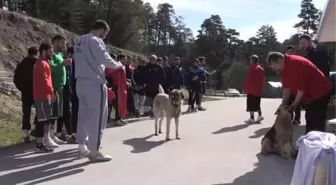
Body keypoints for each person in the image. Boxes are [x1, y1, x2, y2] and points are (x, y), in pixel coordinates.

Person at [74, 20, 124, 162]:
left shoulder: (80, 40)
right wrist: (118, 65)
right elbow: (105, 59)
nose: (105, 37)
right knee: (98, 117)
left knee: (83, 115)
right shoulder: (95, 41)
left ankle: (82, 145)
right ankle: (95, 151)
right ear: (102, 30)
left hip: (80, 82)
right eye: (105, 34)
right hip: (94, 83)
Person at [267, 52, 332, 134]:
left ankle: (318, 143)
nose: (276, 69)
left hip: (320, 92)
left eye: (275, 66)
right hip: (310, 95)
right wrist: (282, 104)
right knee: (310, 119)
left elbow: (301, 89)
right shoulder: (284, 68)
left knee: (316, 121)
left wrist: (294, 104)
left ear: (279, 60)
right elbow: (287, 88)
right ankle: (310, 142)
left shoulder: (295, 63)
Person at [33, 43, 56, 152]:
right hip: (42, 96)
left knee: (46, 119)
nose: (52, 53)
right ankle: (39, 144)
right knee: (41, 120)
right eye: (50, 51)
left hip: (45, 95)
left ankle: (43, 142)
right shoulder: (41, 63)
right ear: (44, 51)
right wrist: (51, 92)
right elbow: (44, 80)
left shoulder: (45, 63)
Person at [50, 35, 72, 146]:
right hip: (54, 88)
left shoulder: (59, 54)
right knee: (52, 114)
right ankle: (49, 135)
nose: (64, 45)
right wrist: (62, 63)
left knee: (57, 113)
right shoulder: (52, 54)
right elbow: (51, 67)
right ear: (56, 42)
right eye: (63, 43)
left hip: (61, 88)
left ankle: (54, 135)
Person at [13, 46, 38, 143]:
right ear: (36, 53)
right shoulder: (38, 63)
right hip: (36, 90)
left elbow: (16, 79)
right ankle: (37, 129)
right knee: (39, 111)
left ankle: (26, 134)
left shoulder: (21, 64)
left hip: (26, 91)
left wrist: (22, 88)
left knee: (26, 112)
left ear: (28, 53)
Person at [56, 46, 76, 143]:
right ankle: (69, 133)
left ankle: (61, 132)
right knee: (66, 112)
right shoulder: (65, 63)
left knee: (65, 111)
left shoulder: (71, 63)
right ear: (69, 54)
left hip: (68, 89)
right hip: (64, 89)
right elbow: (67, 77)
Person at [106, 53, 128, 126]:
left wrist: (126, 82)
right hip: (116, 87)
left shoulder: (122, 66)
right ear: (120, 59)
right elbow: (113, 75)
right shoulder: (117, 65)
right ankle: (117, 119)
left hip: (121, 87)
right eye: (124, 59)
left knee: (120, 103)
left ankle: (120, 118)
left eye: (126, 59)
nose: (125, 60)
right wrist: (117, 86)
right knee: (116, 103)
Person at [242, 55, 265, 124]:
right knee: (257, 103)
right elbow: (263, 79)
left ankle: (252, 118)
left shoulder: (251, 68)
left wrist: (244, 87)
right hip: (258, 89)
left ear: (252, 60)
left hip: (251, 89)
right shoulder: (261, 69)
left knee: (250, 104)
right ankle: (260, 115)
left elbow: (248, 79)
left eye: (250, 60)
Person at [285, 45, 302, 125]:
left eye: (292, 52)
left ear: (294, 52)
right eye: (289, 52)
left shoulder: (297, 60)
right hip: (288, 85)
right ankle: (289, 118)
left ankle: (297, 119)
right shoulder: (285, 61)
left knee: (296, 103)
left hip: (296, 86)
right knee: (287, 103)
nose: (290, 53)